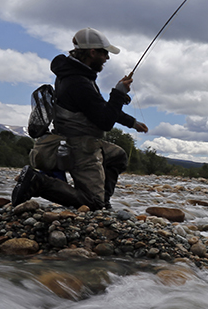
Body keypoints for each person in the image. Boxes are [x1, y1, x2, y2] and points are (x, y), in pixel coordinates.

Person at [12, 28, 150, 210]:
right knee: (93, 202)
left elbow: (99, 108)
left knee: (118, 157)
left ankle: (103, 200)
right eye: (105, 53)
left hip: (79, 141)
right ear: (92, 52)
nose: (107, 58)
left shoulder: (77, 75)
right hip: (79, 146)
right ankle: (38, 182)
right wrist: (118, 94)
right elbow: (104, 122)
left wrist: (132, 122)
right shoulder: (78, 82)